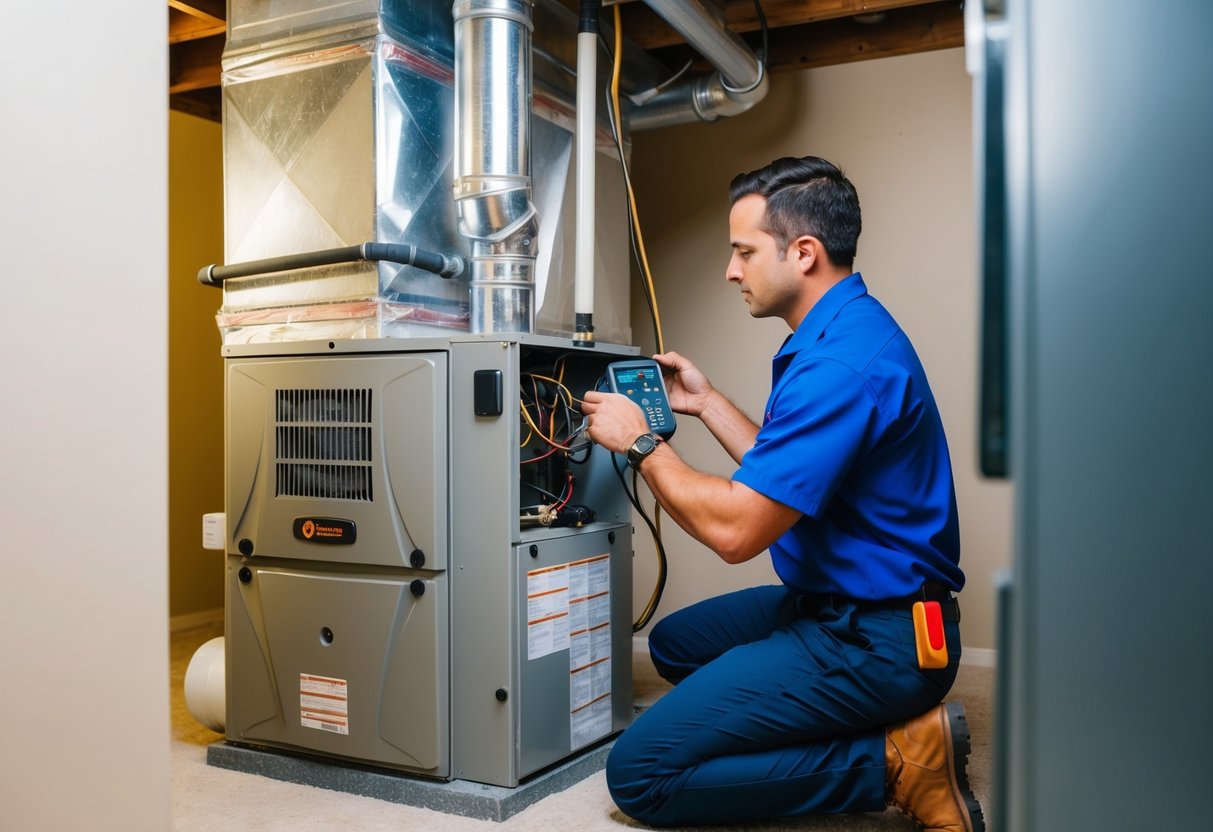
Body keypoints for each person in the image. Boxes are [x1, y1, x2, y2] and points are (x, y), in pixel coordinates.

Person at [580, 156, 983, 831]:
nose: (730, 271)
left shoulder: (838, 366)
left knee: (640, 775)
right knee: (677, 644)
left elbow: (737, 532)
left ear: (802, 253)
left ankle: (894, 760)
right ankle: (835, 715)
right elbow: (788, 473)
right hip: (835, 604)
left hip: (880, 640)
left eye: (742, 252)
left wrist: (642, 444)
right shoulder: (843, 330)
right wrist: (705, 404)